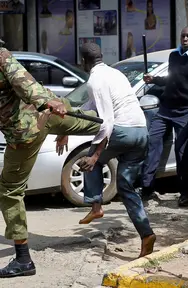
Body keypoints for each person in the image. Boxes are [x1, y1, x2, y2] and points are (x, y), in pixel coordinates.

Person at [0, 46, 100, 277]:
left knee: (10, 191)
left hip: (26, 129)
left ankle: (23, 260)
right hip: (46, 115)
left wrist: (47, 102)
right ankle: (126, 123)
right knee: (94, 123)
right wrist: (52, 103)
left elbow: (24, 82)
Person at [76, 43, 156, 257]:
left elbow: (107, 121)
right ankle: (146, 235)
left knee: (90, 161)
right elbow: (92, 105)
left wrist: (95, 155)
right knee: (126, 186)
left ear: (84, 61)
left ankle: (95, 206)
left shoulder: (94, 80)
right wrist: (71, 117)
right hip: (141, 132)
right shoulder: (115, 73)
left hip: (121, 131)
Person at [140, 26, 188, 207]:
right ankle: (147, 189)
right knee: (153, 143)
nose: (185, 39)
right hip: (165, 109)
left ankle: (185, 194)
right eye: (183, 36)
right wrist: (154, 79)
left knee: (183, 154)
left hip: (186, 112)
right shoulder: (174, 56)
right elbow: (172, 79)